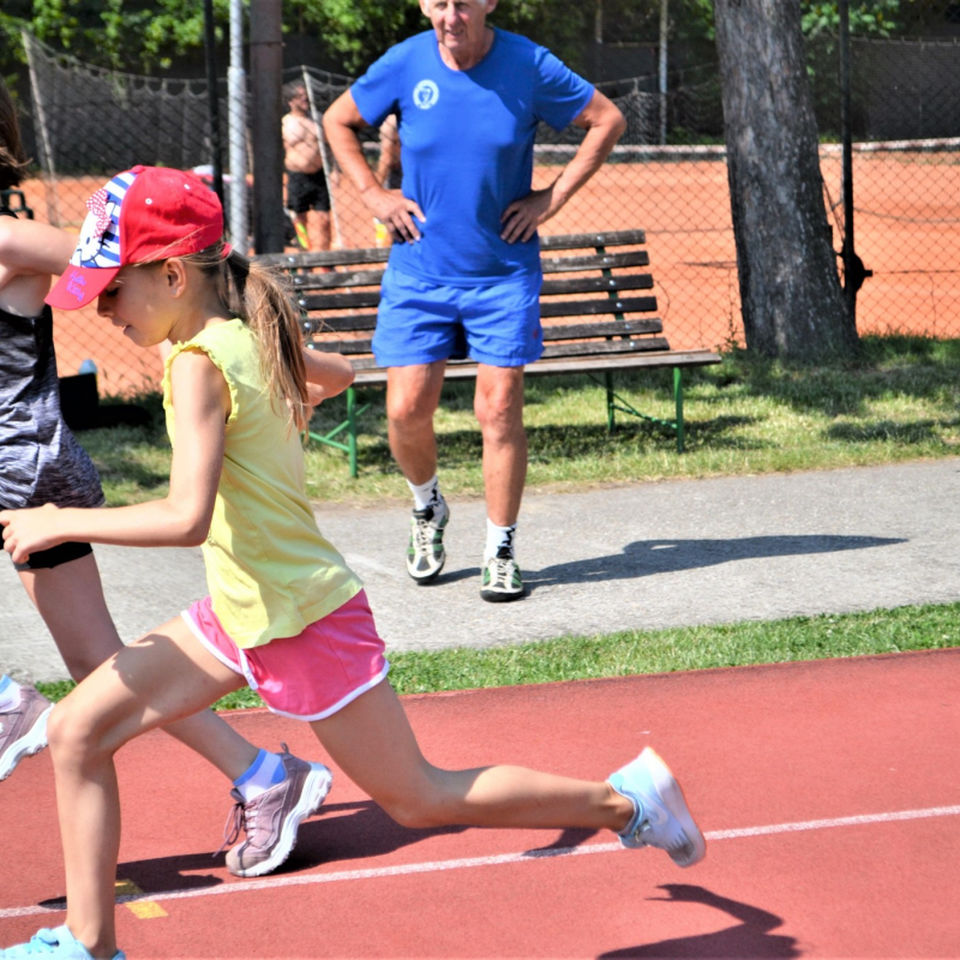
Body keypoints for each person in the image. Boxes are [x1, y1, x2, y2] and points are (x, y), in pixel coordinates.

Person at [0, 164, 703, 960]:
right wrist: (281, 389)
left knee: (420, 798)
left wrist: (54, 516)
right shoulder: (228, 340)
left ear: (169, 274)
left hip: (302, 615)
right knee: (79, 733)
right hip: (243, 611)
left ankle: (624, 802)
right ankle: (89, 944)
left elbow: (187, 517)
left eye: (112, 288)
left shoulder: (198, 361)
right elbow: (338, 376)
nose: (99, 306)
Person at [0, 83, 348, 883]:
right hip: (25, 468)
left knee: (100, 672)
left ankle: (8, 707)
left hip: (23, 464)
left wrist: (274, 350)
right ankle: (265, 776)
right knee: (101, 667)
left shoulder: (13, 238)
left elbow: (144, 280)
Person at [323, 0, 626, 602]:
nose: (450, 15)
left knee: (500, 409)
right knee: (406, 409)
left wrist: (551, 199)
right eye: (438, 3)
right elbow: (338, 121)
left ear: (489, 2)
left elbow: (606, 120)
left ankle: (501, 547)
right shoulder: (405, 62)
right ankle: (427, 508)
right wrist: (372, 193)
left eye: (463, 2)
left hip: (502, 272)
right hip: (420, 270)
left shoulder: (528, 63)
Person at [282, 80, 334, 253]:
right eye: (300, 97)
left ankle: (326, 258)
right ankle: (305, 254)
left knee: (324, 218)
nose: (305, 99)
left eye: (305, 96)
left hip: (319, 175)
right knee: (299, 219)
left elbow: (329, 145)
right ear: (291, 101)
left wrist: (334, 170)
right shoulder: (285, 123)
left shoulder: (317, 119)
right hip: (297, 176)